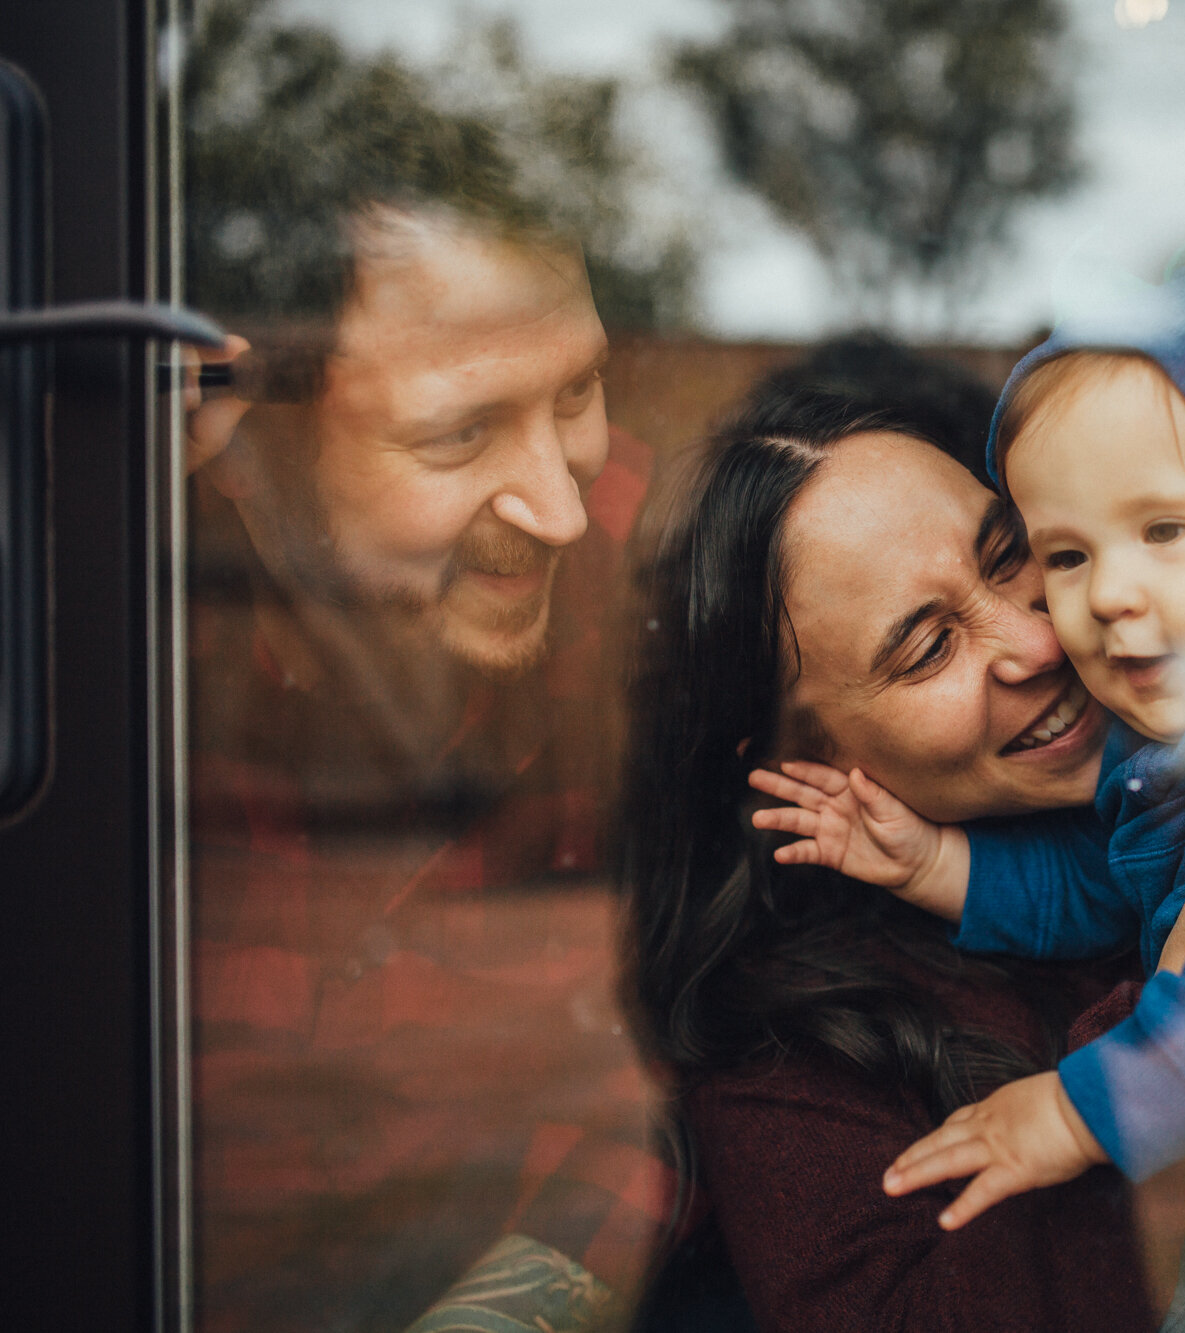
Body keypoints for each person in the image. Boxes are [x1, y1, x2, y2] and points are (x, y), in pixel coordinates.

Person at [621, 364, 1185, 1332]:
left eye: (1013, 557)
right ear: (804, 755)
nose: (1036, 642)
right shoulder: (779, 1068)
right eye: (927, 648)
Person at [182, 102, 664, 1331]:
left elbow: (717, 1021)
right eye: (458, 434)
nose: (560, 505)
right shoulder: (114, 656)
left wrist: (533, 1296)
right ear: (250, 425)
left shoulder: (644, 566)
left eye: (577, 391)